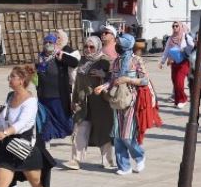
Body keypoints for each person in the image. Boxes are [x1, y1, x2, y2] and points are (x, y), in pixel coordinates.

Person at [95, 34, 150, 175]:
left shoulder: (136, 60)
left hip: (131, 101)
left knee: (127, 135)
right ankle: (124, 166)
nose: (117, 46)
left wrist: (127, 79)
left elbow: (144, 80)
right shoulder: (116, 61)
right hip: (117, 100)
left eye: (119, 43)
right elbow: (113, 80)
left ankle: (139, 155)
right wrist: (103, 87)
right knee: (118, 135)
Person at [65, 36, 115, 171]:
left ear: (98, 47)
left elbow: (115, 78)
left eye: (91, 47)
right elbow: (77, 83)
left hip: (100, 103)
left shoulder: (105, 60)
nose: (88, 49)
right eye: (86, 46)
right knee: (79, 130)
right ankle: (75, 161)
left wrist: (103, 74)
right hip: (83, 102)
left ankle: (108, 161)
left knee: (103, 131)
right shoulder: (82, 61)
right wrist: (74, 100)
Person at [37, 33, 78, 144]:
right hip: (43, 95)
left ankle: (75, 134)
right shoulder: (40, 58)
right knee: (45, 120)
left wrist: (63, 57)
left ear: (55, 44)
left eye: (51, 42)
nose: (48, 44)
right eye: (46, 42)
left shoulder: (59, 55)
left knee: (64, 120)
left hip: (58, 95)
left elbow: (75, 62)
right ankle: (47, 140)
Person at [159, 22, 194, 108]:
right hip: (174, 62)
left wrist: (184, 48)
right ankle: (177, 100)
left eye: (176, 26)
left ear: (180, 27)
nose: (174, 27)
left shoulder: (185, 36)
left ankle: (183, 99)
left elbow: (193, 46)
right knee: (175, 81)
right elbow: (166, 50)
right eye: (173, 26)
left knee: (179, 82)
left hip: (184, 62)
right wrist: (162, 61)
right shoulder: (170, 38)